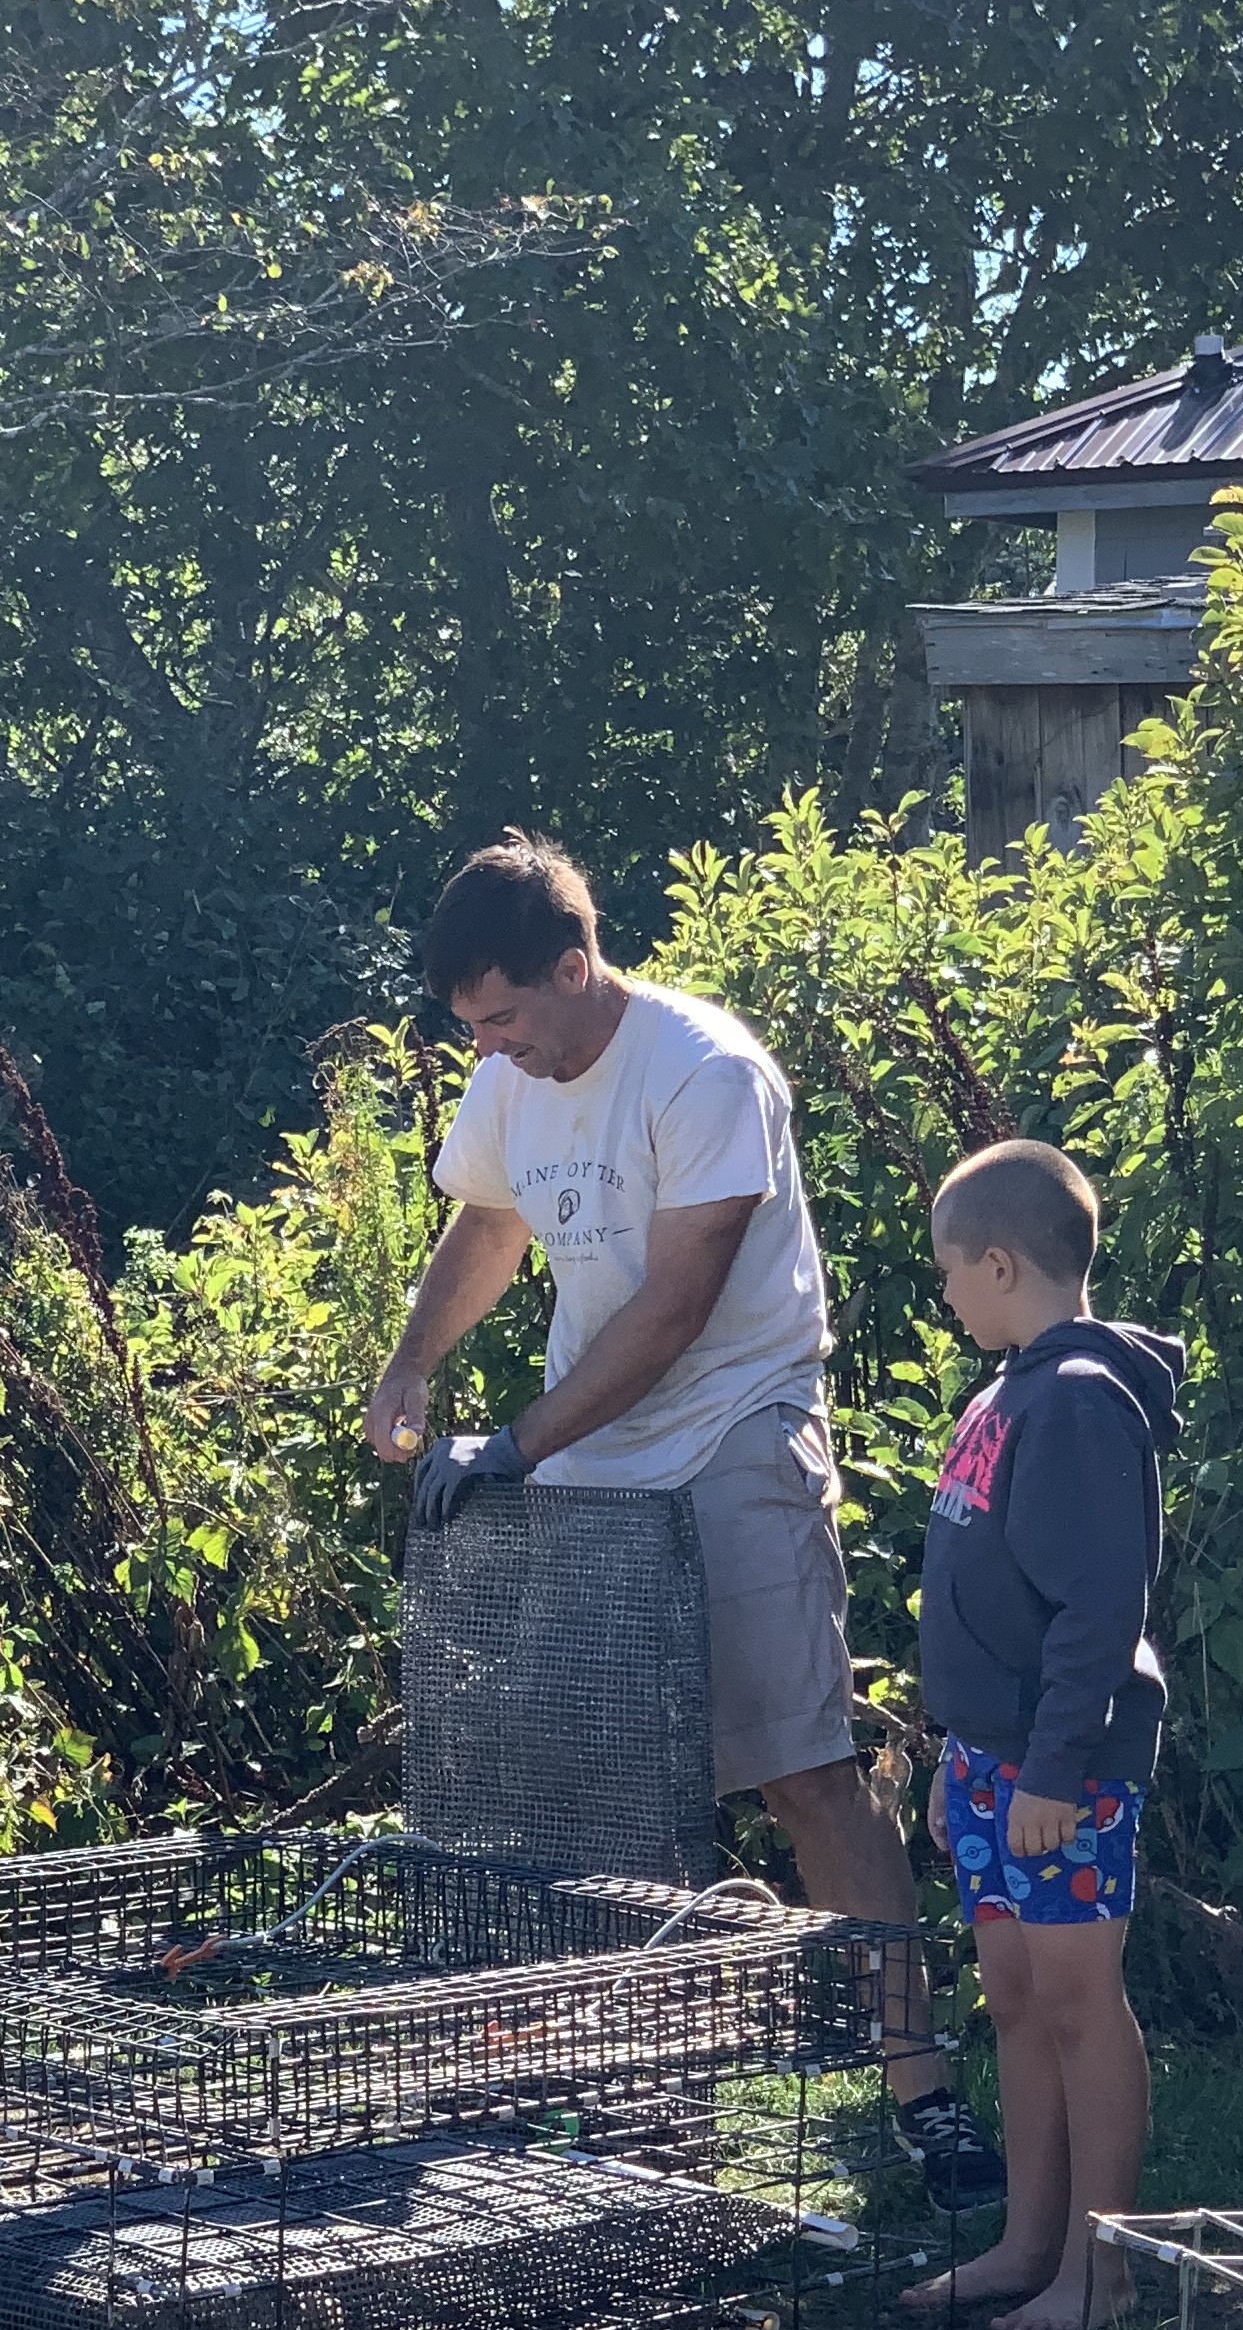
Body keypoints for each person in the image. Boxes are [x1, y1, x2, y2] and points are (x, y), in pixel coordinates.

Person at [364, 832, 1002, 2209]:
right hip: (587, 1463)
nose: (494, 1049)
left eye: (506, 1017)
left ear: (575, 967)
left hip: (732, 1432)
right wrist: (413, 1366)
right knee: (595, 1801)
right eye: (473, 1027)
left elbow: (677, 1306)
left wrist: (516, 1446)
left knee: (805, 1772)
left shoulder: (707, 1073)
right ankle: (643, 2128)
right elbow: (485, 1230)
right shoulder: (507, 1081)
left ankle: (924, 2096)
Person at [905, 1137, 1182, 2330]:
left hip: (1058, 1772)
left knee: (1078, 2001)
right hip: (987, 1763)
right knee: (1014, 1997)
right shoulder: (1008, 1388)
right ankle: (1027, 2245)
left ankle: (1099, 2269)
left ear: (1003, 1263)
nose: (947, 1293)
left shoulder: (1075, 1403)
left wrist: (1052, 1770)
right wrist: (952, 1756)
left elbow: (1097, 1607)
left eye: (951, 1272)